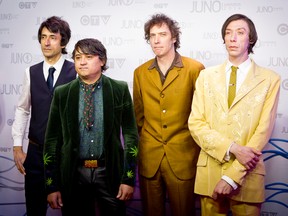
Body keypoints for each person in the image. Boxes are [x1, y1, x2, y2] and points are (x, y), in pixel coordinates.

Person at [188, 14, 280, 216]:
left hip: (247, 175)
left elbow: (262, 131)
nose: (233, 38)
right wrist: (232, 148)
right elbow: (196, 123)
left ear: (251, 39)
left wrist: (231, 177)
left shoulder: (270, 79)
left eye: (240, 32)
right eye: (228, 33)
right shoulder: (205, 76)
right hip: (209, 174)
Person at [43, 38, 138, 216]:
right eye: (78, 57)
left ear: (102, 60)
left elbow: (131, 135)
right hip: (73, 173)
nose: (82, 62)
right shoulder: (62, 93)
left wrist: (128, 179)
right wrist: (51, 185)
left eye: (88, 56)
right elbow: (51, 141)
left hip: (109, 173)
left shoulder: (119, 89)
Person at [133, 13, 205, 216]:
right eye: (152, 35)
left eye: (162, 34)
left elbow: (201, 115)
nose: (156, 40)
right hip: (150, 159)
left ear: (174, 37)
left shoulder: (195, 69)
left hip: (183, 158)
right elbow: (138, 117)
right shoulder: (140, 72)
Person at [12, 16, 76, 216]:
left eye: (53, 37)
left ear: (63, 41)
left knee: (73, 209)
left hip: (67, 155)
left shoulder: (76, 71)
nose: (46, 42)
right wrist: (17, 146)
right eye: (43, 37)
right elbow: (23, 109)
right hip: (36, 154)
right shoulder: (30, 72)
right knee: (34, 210)